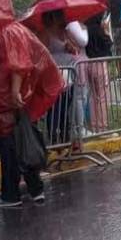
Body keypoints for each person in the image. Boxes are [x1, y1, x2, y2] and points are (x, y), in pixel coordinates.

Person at [0, 0, 64, 208]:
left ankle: (11, 195)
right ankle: (35, 190)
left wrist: (16, 92)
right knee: (23, 142)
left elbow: (19, 64)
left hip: (7, 100)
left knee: (10, 147)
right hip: (9, 99)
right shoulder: (6, 32)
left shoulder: (9, 32)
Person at [39, 9, 87, 146]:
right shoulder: (45, 33)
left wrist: (70, 47)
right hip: (53, 76)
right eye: (59, 15)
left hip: (68, 75)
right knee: (54, 108)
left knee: (66, 107)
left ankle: (65, 138)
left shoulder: (64, 32)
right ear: (52, 17)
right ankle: (54, 139)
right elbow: (40, 52)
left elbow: (74, 48)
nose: (63, 18)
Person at [82, 12, 113, 135]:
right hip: (100, 63)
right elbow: (108, 44)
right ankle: (103, 127)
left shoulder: (85, 29)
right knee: (102, 96)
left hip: (88, 63)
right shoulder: (99, 30)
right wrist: (105, 30)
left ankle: (94, 126)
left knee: (93, 96)